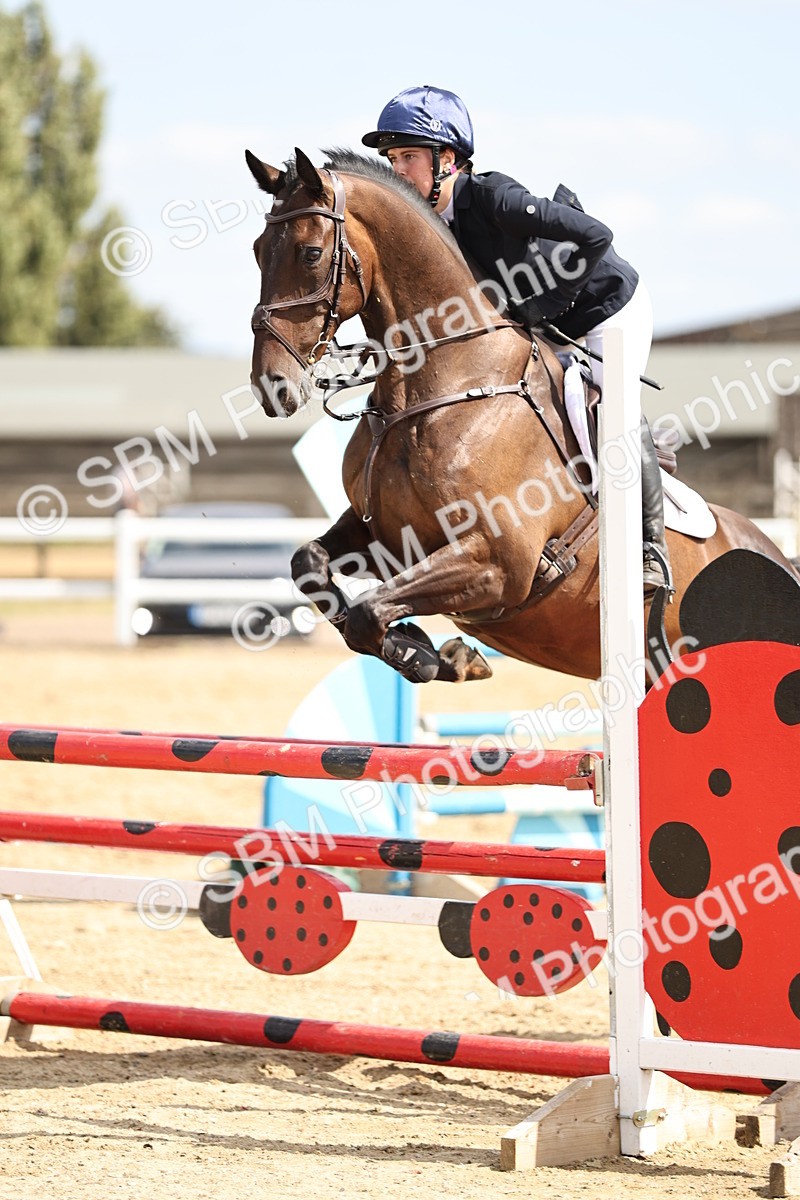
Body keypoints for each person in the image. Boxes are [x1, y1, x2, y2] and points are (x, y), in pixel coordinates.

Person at [361, 84, 671, 594]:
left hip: (607, 307)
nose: (398, 171)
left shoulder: (493, 197)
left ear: (447, 159)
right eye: (392, 160)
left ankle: (651, 547)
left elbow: (595, 235)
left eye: (409, 157)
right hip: (544, 321)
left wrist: (543, 309)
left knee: (607, 404)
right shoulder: (430, 228)